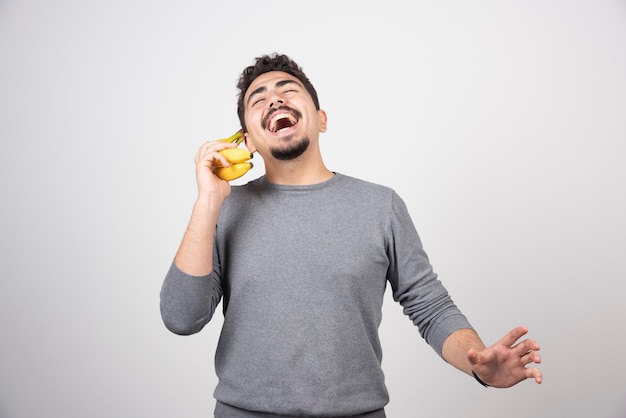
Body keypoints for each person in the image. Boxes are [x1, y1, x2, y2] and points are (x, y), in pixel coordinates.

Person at [160, 53, 542, 418]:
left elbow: (430, 305)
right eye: (258, 99)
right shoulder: (224, 208)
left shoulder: (381, 205)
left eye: (288, 90)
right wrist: (208, 199)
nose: (274, 99)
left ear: (321, 119)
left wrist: (480, 364)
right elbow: (182, 317)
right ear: (247, 141)